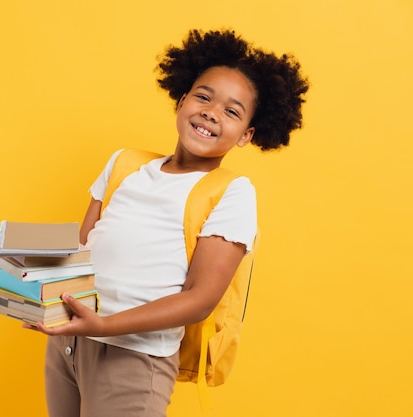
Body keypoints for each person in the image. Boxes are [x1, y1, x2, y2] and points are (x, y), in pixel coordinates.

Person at [25, 29, 309, 417]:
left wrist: (102, 326)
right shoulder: (125, 163)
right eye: (203, 96)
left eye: (232, 111)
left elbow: (199, 299)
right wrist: (12, 288)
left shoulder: (232, 192)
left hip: (134, 358)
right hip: (69, 343)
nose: (211, 112)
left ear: (247, 135)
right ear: (181, 100)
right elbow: (80, 253)